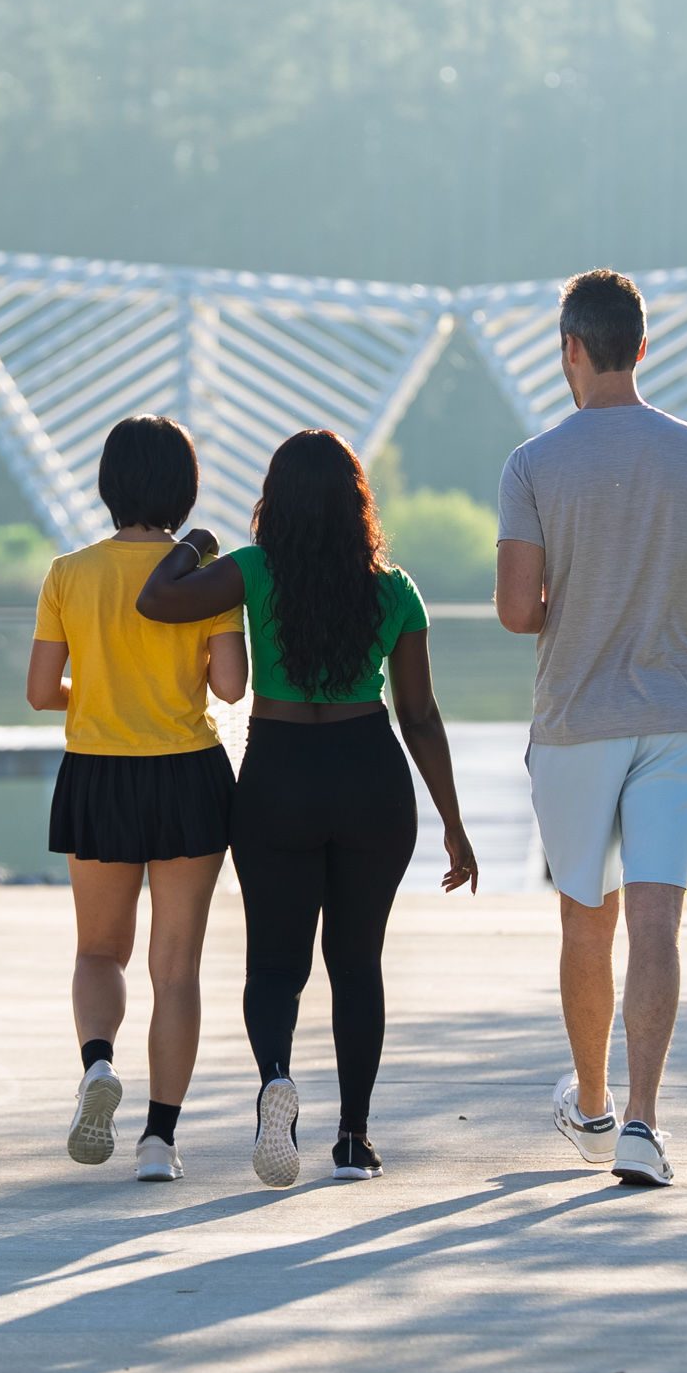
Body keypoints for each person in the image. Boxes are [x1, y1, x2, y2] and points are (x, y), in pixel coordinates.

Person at [494, 268, 687, 1189]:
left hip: (576, 721)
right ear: (642, 347)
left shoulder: (533, 464)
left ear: (570, 348)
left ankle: (592, 1102)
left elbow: (516, 610)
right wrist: (673, 581)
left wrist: (586, 586)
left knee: (588, 920)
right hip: (678, 719)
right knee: (658, 920)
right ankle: (647, 1123)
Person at [139, 429, 477, 1188]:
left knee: (276, 962)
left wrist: (193, 540)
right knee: (357, 963)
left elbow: (156, 599)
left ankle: (275, 1083)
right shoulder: (395, 589)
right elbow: (420, 716)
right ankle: (354, 1138)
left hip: (279, 776)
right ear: (359, 506)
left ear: (275, 503)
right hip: (370, 775)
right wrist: (454, 821)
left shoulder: (256, 571)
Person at [27, 416, 247, 1183]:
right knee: (174, 966)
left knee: (98, 948)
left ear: (108, 486)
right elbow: (230, 687)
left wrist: (95, 689)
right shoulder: (204, 577)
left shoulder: (68, 573)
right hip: (188, 771)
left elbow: (36, 691)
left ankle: (96, 1064)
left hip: (96, 771)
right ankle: (160, 1140)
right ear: (184, 491)